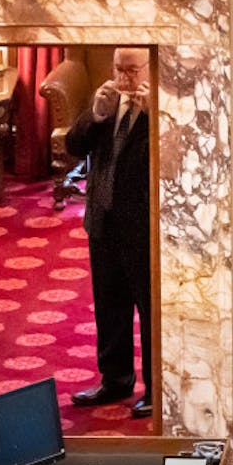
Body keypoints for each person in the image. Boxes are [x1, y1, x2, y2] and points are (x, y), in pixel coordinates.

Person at [66, 48, 154, 418]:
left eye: (132, 70)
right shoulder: (106, 102)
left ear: (149, 68)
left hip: (144, 228)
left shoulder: (161, 108)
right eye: (119, 69)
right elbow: (73, 146)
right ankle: (115, 379)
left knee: (150, 312)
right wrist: (96, 113)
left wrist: (158, 115)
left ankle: (155, 387)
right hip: (103, 222)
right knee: (110, 306)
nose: (124, 78)